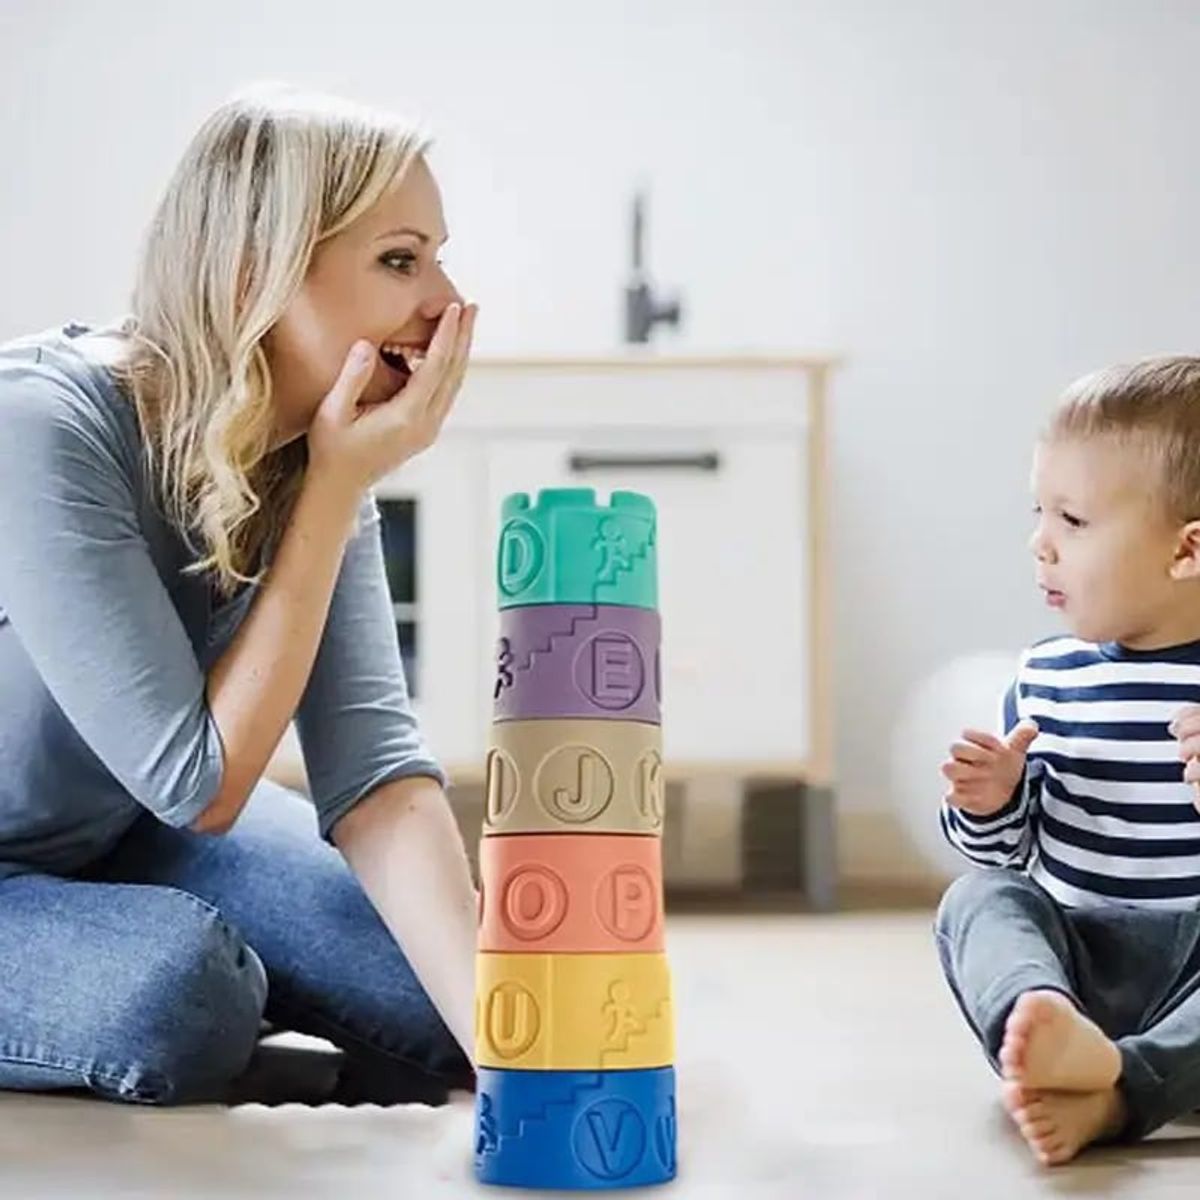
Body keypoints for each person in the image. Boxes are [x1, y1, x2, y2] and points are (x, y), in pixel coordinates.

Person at [0, 82, 480, 1106]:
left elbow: (378, 777)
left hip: (114, 830)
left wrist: (512, 1045)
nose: (444, 300)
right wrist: (343, 482)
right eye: (401, 260)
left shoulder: (311, 448)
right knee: (182, 990)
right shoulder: (41, 428)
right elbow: (198, 782)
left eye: (437, 256)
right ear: (255, 270)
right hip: (70, 838)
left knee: (447, 978)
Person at [936, 356, 1200, 1166]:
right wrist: (993, 804)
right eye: (1039, 512)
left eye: (1073, 521)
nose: (1039, 544)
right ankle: (1039, 1018)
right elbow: (1007, 852)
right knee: (977, 898)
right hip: (1082, 960)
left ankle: (1120, 1089)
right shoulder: (1048, 677)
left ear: (1187, 550)